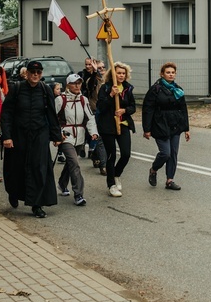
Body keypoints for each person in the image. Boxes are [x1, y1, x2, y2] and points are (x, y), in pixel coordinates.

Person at [0, 60, 62, 218]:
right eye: (32, 72)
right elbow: (6, 114)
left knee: (39, 168)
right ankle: (13, 192)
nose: (35, 75)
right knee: (16, 167)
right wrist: (7, 136)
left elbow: (51, 115)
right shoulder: (17, 89)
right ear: (26, 73)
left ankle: (37, 204)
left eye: (38, 73)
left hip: (39, 134)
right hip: (18, 135)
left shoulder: (45, 90)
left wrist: (56, 136)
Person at [142, 62, 190, 190]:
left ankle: (170, 180)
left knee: (173, 153)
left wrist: (186, 128)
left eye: (173, 72)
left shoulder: (178, 90)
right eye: (168, 72)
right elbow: (148, 109)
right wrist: (146, 129)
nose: (171, 74)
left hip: (175, 124)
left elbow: (183, 109)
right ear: (162, 74)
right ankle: (153, 169)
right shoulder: (155, 89)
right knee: (165, 153)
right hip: (160, 124)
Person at [55, 74, 98, 206]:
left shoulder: (84, 100)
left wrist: (93, 132)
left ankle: (62, 184)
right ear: (68, 85)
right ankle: (78, 194)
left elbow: (90, 117)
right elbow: (53, 119)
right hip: (66, 136)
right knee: (74, 163)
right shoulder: (60, 100)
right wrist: (57, 135)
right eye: (74, 83)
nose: (77, 85)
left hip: (80, 136)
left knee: (71, 163)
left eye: (79, 83)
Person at [96, 61, 136, 197]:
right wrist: (111, 96)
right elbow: (100, 107)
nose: (121, 75)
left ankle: (117, 174)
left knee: (126, 154)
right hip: (108, 126)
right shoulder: (106, 88)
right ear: (113, 74)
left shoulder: (128, 88)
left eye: (123, 73)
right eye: (118, 73)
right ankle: (111, 184)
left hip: (122, 124)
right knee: (111, 155)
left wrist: (124, 110)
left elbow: (133, 107)